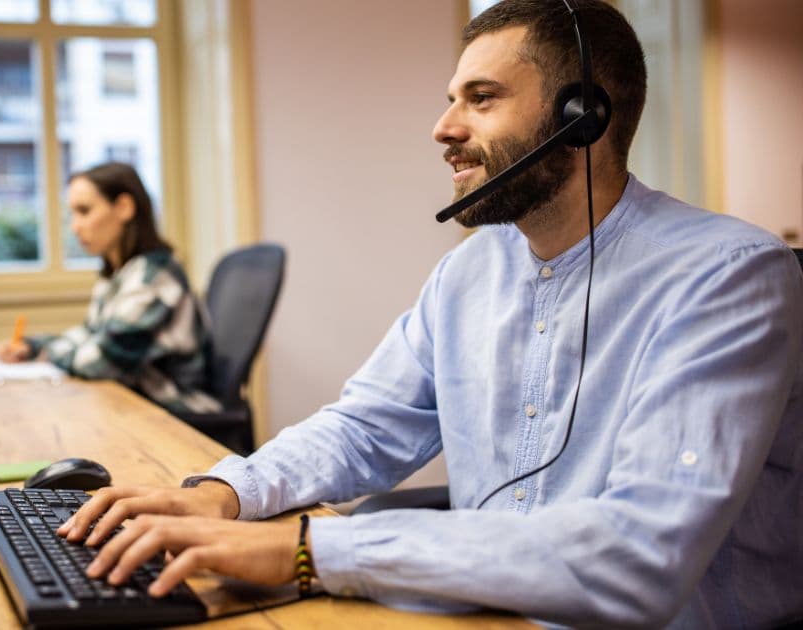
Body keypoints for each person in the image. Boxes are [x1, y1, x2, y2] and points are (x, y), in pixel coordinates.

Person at [56, 2, 803, 628]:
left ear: (584, 117)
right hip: (490, 611)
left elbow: (642, 553)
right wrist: (227, 494)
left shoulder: (727, 277)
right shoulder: (469, 273)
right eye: (452, 99)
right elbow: (368, 425)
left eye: (480, 99)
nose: (443, 128)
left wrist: (313, 552)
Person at [0, 162, 221, 414]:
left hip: (175, 411)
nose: (75, 226)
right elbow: (90, 334)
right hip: (137, 404)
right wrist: (35, 346)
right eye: (73, 214)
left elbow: (101, 361)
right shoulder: (120, 274)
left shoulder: (154, 276)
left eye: (84, 211)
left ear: (124, 208)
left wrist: (50, 353)